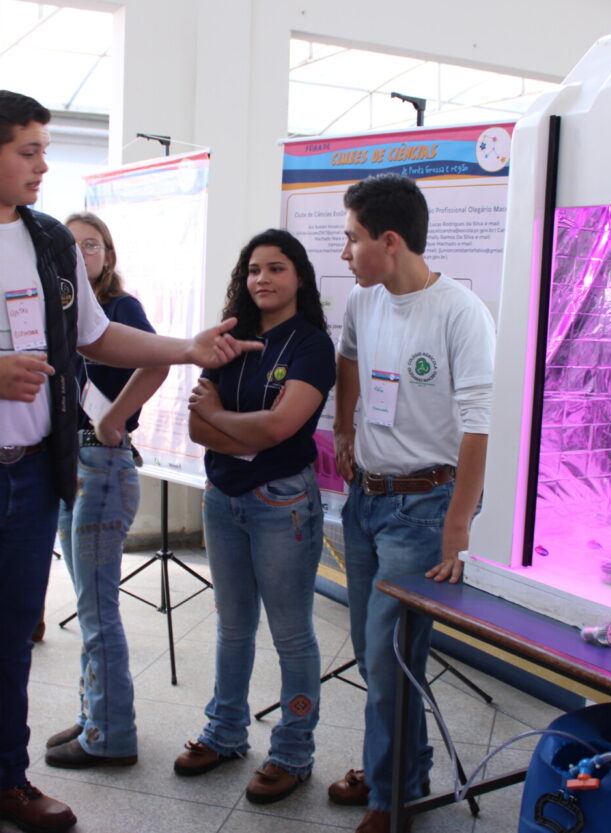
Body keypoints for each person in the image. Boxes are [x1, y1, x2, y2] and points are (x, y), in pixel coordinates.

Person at [0, 89, 259, 833]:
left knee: (13, 644)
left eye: (45, 150)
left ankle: (10, 782)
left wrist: (184, 348)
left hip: (34, 474)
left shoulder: (48, 239)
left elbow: (97, 337)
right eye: (29, 151)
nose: (43, 166)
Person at [330, 174, 495, 833]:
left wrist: (457, 525)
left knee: (387, 656)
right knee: (378, 654)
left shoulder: (460, 312)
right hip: (366, 501)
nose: (345, 252)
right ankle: (402, 770)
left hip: (424, 509)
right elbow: (348, 361)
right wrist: (344, 427)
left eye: (352, 238)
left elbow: (479, 424)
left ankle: (389, 794)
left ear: (390, 241)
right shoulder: (362, 300)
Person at [177, 229, 335, 805]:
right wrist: (229, 424)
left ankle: (292, 752)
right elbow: (196, 427)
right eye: (253, 270)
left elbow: (279, 428)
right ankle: (224, 733)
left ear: (299, 277)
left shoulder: (311, 345)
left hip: (281, 501)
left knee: (291, 634)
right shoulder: (229, 339)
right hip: (223, 496)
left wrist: (222, 416)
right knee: (233, 625)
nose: (262, 279)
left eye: (276, 268)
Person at [43, 211, 168, 769]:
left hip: (101, 462)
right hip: (66, 464)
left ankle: (111, 734)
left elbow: (159, 360)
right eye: (69, 246)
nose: (80, 253)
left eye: (90, 245)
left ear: (108, 256)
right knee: (87, 605)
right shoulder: (55, 310)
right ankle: (96, 712)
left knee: (98, 610)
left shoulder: (120, 309)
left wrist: (115, 417)